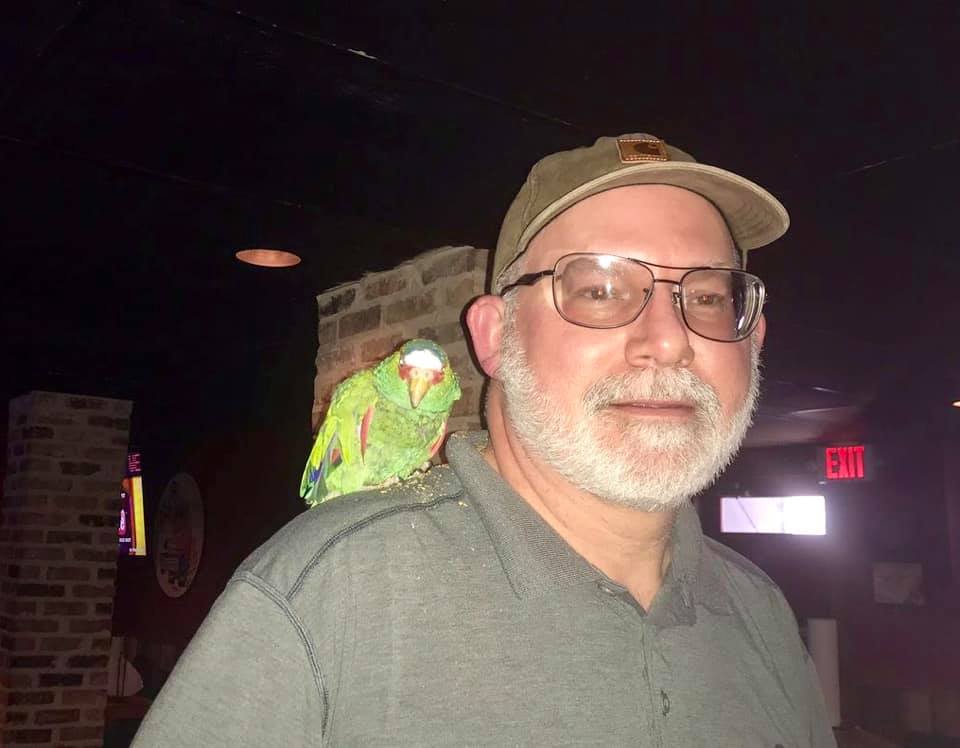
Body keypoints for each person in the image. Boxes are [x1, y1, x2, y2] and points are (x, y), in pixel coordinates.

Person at [133, 134, 836, 746]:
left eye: (708, 296)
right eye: (597, 290)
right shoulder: (322, 596)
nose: (669, 340)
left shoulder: (762, 612)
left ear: (754, 338)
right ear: (495, 336)